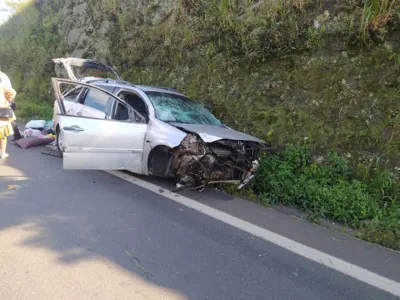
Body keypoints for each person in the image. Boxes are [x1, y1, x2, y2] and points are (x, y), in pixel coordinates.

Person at [0, 69, 22, 141]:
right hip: (5, 100)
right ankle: (17, 135)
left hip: (4, 101)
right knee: (10, 119)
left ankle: (16, 135)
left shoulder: (2, 77)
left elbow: (10, 90)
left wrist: (9, 100)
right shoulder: (4, 76)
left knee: (7, 119)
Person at [0, 80, 17, 159]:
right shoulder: (2, 83)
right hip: (2, 109)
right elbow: (12, 93)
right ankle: (2, 153)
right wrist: (8, 100)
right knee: (2, 133)